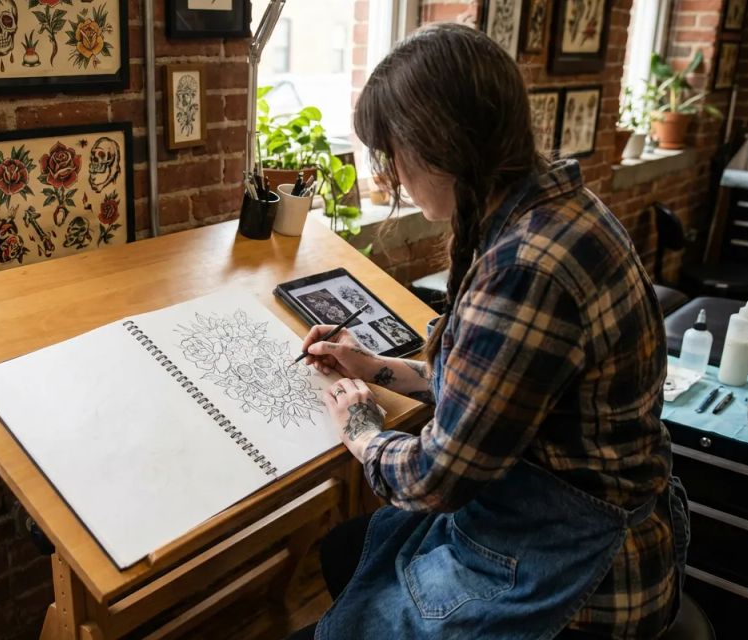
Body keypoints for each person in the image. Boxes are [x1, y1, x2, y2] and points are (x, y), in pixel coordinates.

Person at [288, 23, 689, 640]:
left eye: (393, 154)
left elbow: (435, 478)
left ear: (439, 146)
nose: (391, 176)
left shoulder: (525, 266)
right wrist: (375, 368)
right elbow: (494, 396)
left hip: (585, 577)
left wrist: (363, 431)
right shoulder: (555, 207)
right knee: (349, 556)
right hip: (572, 513)